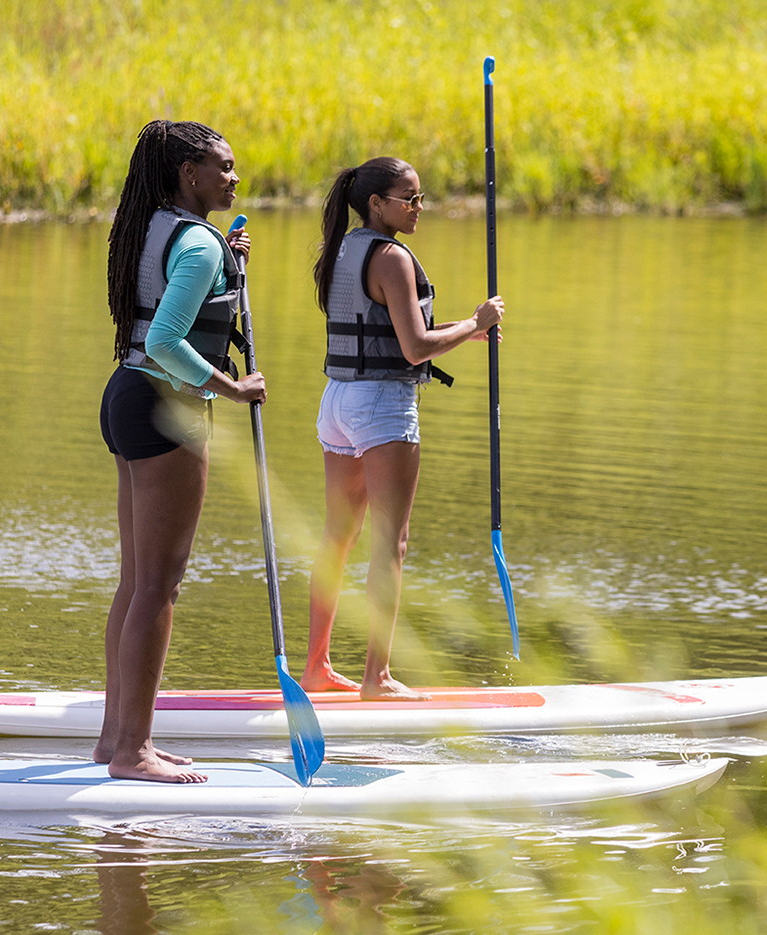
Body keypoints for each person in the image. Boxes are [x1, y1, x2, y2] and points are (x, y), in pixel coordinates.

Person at [93, 120, 264, 782]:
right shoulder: (196, 243)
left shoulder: (160, 226)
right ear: (188, 173)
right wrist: (234, 386)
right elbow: (168, 339)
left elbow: (181, 292)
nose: (234, 176)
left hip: (127, 395)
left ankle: (116, 740)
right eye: (222, 167)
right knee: (158, 585)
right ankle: (134, 752)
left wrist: (228, 251)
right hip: (166, 405)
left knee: (137, 581)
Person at [301, 157, 504, 700]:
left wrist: (463, 333)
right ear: (377, 204)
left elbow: (389, 327)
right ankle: (378, 678)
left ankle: (316, 667)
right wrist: (476, 322)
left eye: (420, 197)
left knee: (337, 538)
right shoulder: (391, 256)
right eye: (409, 198)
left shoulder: (344, 247)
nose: (419, 208)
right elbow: (414, 348)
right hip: (382, 406)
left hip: (337, 401)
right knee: (391, 544)